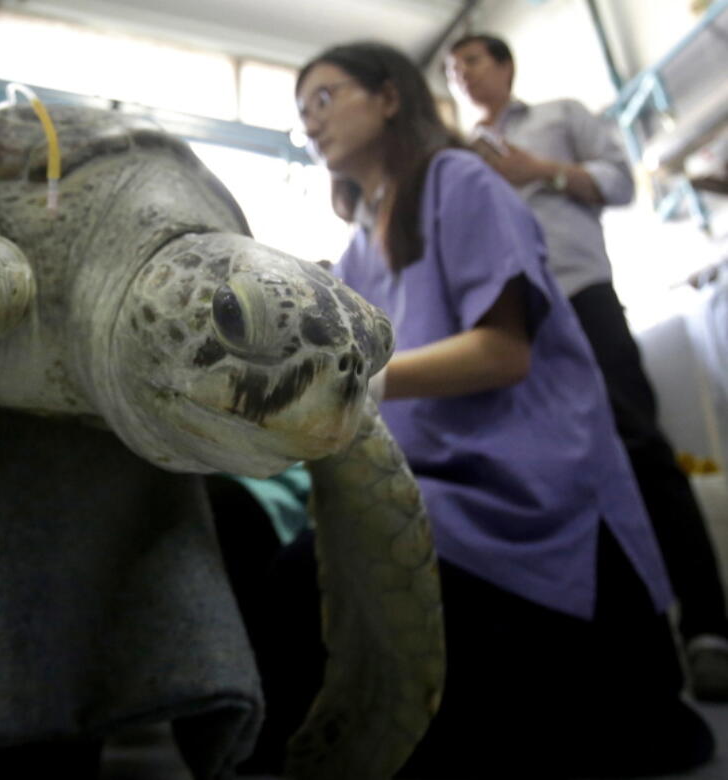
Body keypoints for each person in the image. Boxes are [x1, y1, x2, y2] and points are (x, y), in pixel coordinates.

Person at [243, 41, 714, 777]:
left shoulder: (457, 181)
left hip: (524, 485)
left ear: (391, 96)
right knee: (302, 585)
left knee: (311, 592)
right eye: (302, 113)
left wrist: (363, 381)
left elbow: (504, 352)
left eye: (327, 98)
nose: (312, 123)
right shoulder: (364, 245)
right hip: (438, 485)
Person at [446, 32, 728, 701]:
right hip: (502, 314)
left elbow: (619, 183)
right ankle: (613, 650)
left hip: (579, 292)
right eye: (453, 72)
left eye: (472, 63)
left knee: (638, 446)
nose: (462, 77)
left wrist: (537, 170)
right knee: (537, 467)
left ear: (506, 66)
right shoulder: (455, 158)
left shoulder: (561, 115)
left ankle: (710, 629)